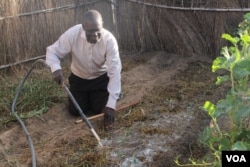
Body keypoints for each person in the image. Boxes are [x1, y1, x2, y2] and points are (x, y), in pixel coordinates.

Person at [45, 10, 122, 130]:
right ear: (83, 27)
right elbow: (52, 52)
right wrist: (56, 69)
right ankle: (89, 97)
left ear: (102, 25)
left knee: (100, 109)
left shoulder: (109, 40)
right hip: (79, 79)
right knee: (76, 111)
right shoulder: (73, 34)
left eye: (98, 31)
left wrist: (111, 106)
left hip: (100, 79)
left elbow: (114, 72)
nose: (95, 35)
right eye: (90, 32)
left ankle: (107, 95)